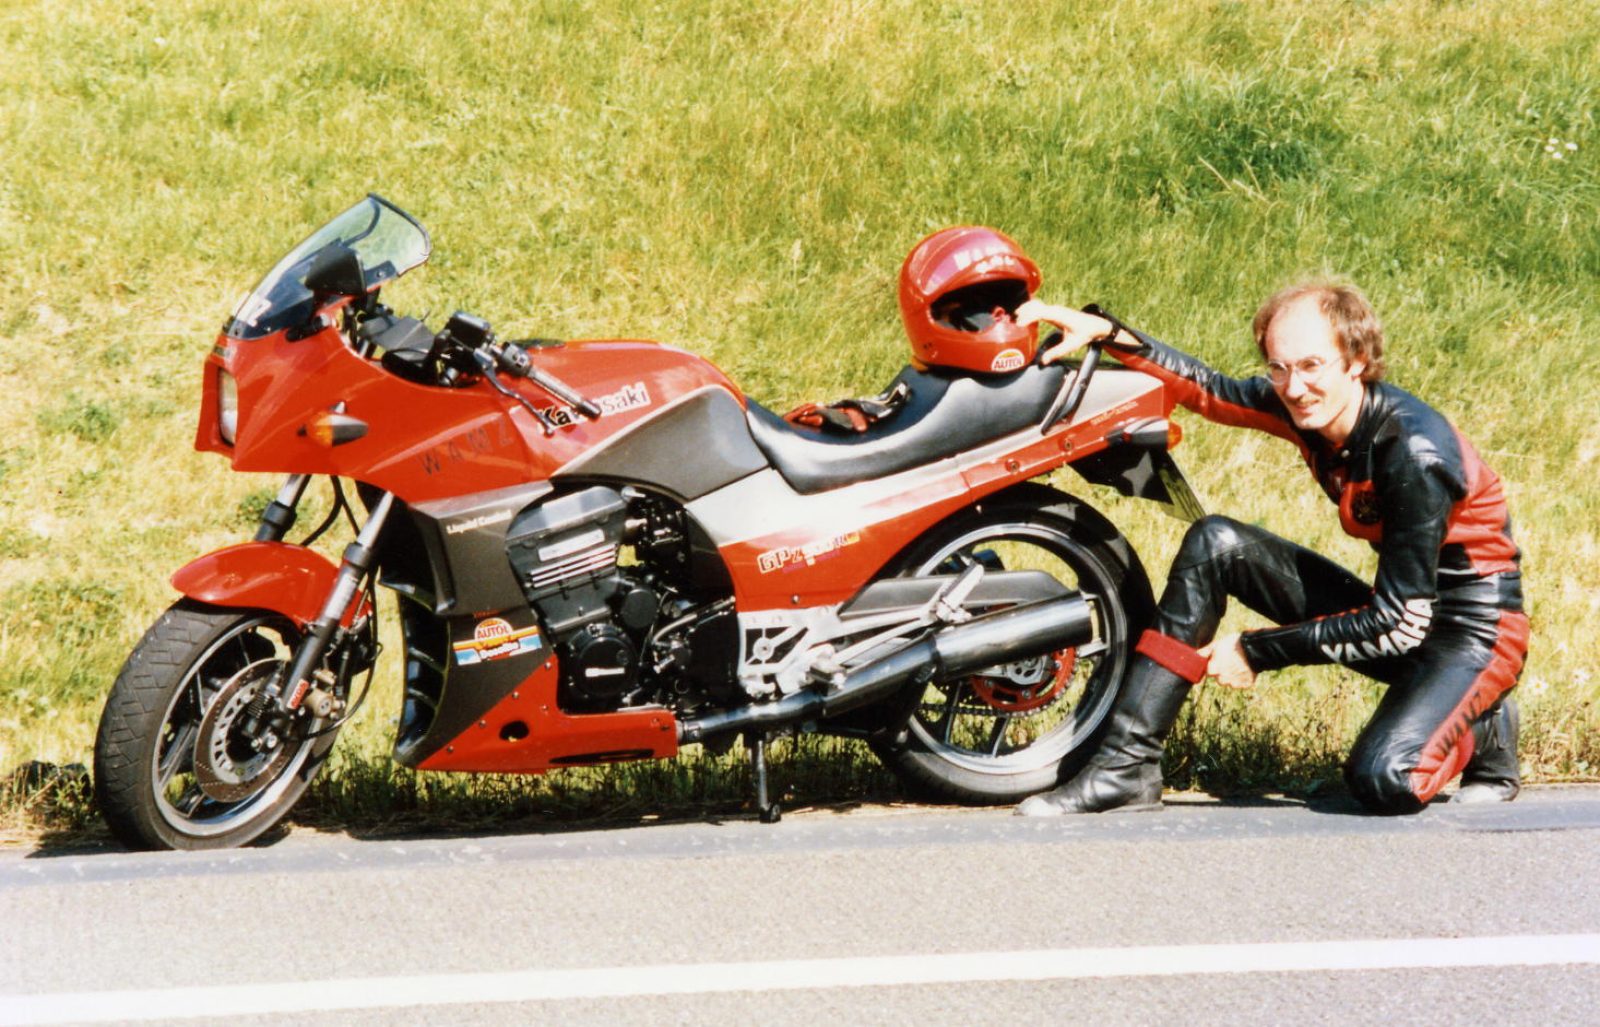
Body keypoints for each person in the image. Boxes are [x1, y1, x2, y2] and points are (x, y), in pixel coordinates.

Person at [1012, 283, 1529, 816]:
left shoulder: (1413, 453)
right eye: (1279, 368)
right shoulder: (1308, 409)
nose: (1295, 387)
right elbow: (1208, 389)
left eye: (1311, 365)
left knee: (1383, 779)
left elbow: (1399, 623)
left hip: (1474, 631)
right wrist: (1108, 331)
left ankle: (1479, 715)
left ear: (1356, 361)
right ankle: (1125, 767)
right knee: (1215, 543)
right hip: (1404, 613)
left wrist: (1255, 650)